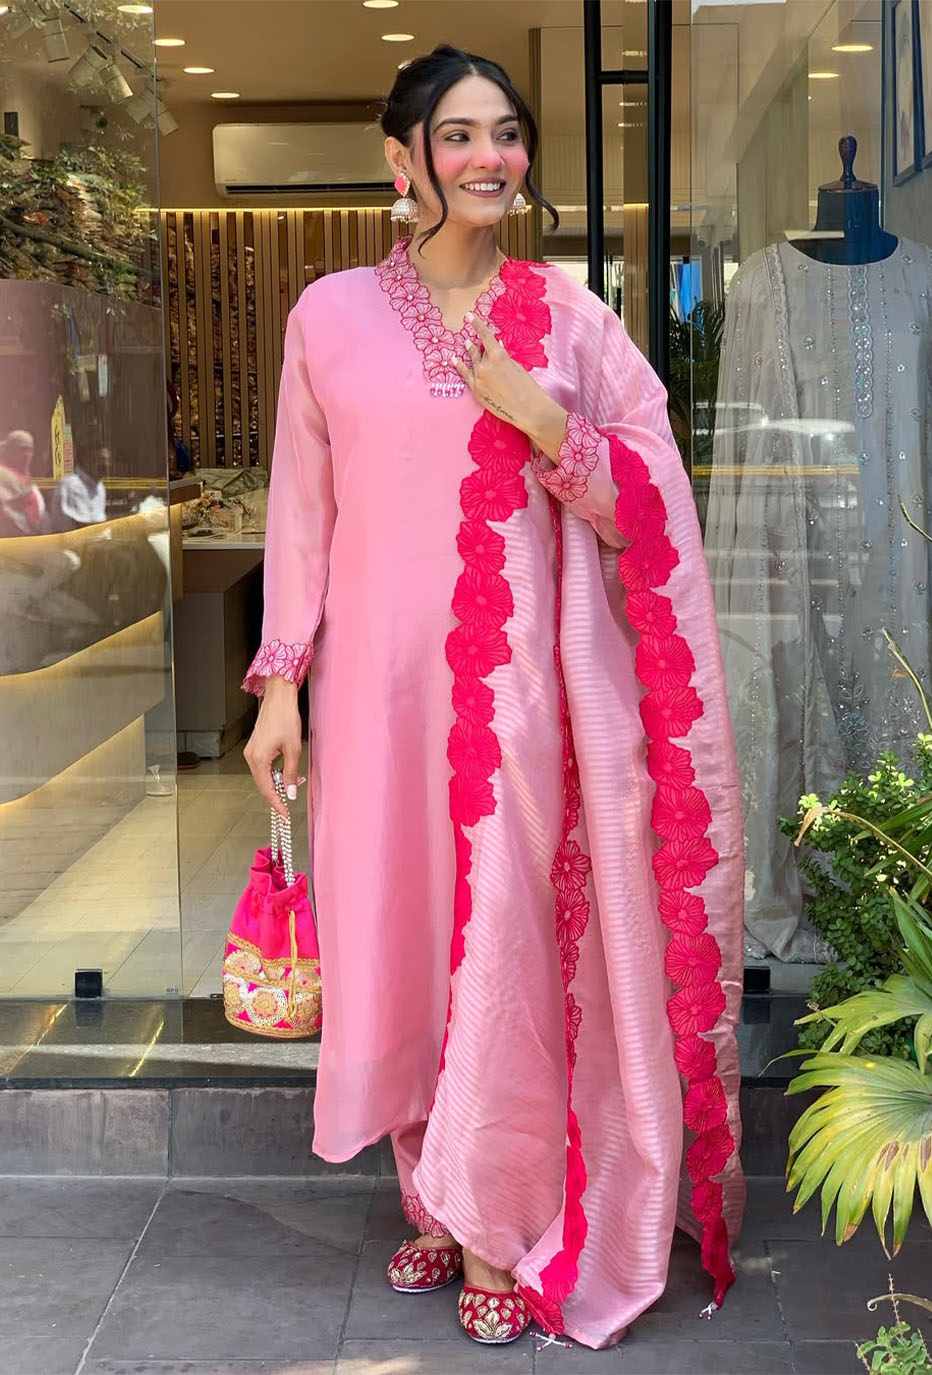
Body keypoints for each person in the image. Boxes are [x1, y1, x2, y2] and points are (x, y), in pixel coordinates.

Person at [242, 44, 745, 1351]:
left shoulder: (567, 320)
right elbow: (301, 512)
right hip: (370, 695)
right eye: (458, 134)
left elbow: (649, 503)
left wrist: (543, 419)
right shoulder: (327, 315)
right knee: (396, 929)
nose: (489, 158)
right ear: (400, 157)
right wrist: (280, 684)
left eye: (506, 133)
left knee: (501, 938)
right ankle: (432, 1187)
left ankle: (494, 1219)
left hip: (516, 697)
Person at [0, 429, 48, 537]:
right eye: (22, 450)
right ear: (10, 451)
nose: (27, 455)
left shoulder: (24, 476)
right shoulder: (3, 475)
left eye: (29, 450)